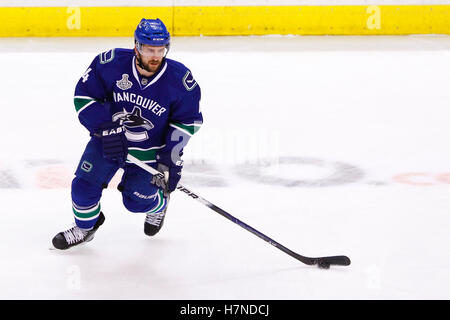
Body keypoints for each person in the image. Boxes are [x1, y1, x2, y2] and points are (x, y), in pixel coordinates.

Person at [52, 18, 202, 250]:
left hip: (149, 152)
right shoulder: (110, 63)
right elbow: (84, 97)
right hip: (108, 142)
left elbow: (187, 121)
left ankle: (159, 204)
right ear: (136, 47)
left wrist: (170, 155)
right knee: (83, 187)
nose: (155, 55)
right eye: (149, 49)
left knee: (135, 202)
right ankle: (85, 228)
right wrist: (104, 128)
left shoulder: (180, 79)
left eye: (161, 49)